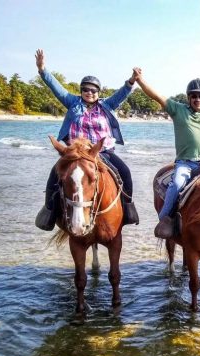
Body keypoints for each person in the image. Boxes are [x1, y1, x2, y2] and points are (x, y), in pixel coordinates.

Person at [135, 56, 200, 239]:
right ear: (188, 98)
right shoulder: (178, 110)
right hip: (186, 164)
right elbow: (156, 96)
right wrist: (140, 80)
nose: (197, 99)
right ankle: (165, 219)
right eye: (194, 96)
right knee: (176, 184)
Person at [34, 49, 140, 231]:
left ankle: (128, 208)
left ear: (98, 92)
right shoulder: (72, 102)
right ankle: (49, 211)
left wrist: (131, 81)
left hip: (102, 152)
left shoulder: (107, 105)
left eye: (93, 90)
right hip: (76, 153)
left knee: (125, 172)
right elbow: (56, 88)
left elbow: (122, 94)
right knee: (54, 175)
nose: (89, 93)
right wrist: (42, 69)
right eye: (85, 89)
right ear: (81, 91)